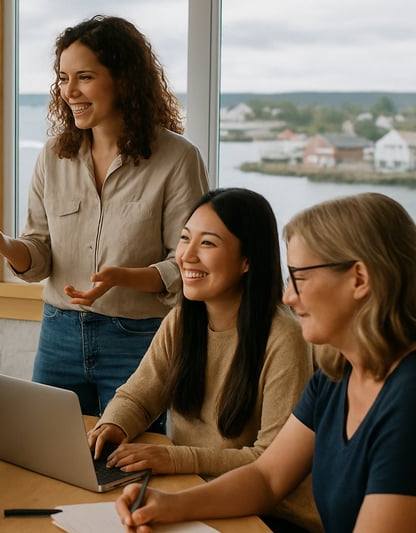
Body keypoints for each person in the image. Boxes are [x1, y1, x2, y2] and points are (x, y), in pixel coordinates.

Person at [0, 15, 208, 417]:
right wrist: (4, 244)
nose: (69, 91)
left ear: (124, 79)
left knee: (134, 463)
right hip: (59, 334)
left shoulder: (177, 158)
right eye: (63, 78)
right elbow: (39, 255)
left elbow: (186, 262)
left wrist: (124, 277)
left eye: (84, 77)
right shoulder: (53, 156)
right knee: (50, 453)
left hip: (139, 338)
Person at [116, 192, 416, 533]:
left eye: (300, 279)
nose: (288, 296)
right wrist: (169, 505)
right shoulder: (337, 375)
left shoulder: (413, 397)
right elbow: (267, 477)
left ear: (360, 279)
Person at [89, 188, 319, 532]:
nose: (186, 256)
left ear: (247, 260)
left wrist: (174, 458)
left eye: (208, 244)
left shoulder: (283, 337)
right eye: (185, 239)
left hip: (271, 515)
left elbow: (269, 461)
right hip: (192, 491)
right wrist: (113, 425)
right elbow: (138, 395)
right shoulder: (182, 321)